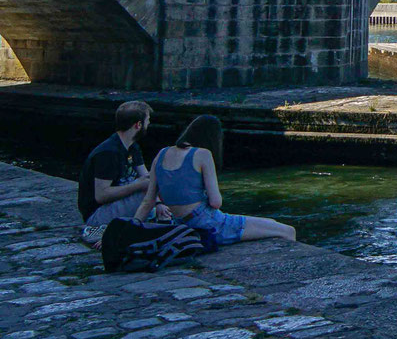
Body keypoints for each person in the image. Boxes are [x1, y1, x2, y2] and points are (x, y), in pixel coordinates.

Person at [131, 115, 296, 244]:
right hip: (211, 225)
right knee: (287, 230)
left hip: (180, 224)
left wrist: (131, 228)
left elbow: (148, 201)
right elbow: (216, 202)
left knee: (270, 222)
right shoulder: (203, 154)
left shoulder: (161, 154)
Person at [78, 100, 153, 238]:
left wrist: (159, 203)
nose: (149, 125)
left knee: (160, 187)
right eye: (148, 121)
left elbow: (148, 178)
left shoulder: (132, 147)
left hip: (119, 205)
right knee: (147, 193)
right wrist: (137, 185)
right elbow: (101, 195)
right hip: (97, 216)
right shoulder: (108, 153)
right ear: (138, 125)